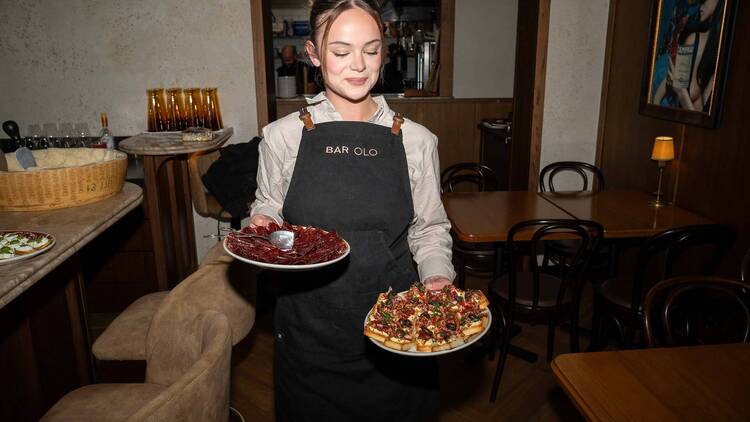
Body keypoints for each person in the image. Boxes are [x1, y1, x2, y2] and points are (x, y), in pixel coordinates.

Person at [250, 1, 455, 420]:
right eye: (341, 52)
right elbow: (268, 208)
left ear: (385, 52)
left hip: (396, 328)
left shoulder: (416, 140)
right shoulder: (282, 137)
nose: (358, 65)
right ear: (313, 54)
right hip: (310, 330)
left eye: (372, 49)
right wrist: (265, 229)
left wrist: (437, 277)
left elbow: (429, 229)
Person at [652, 0, 724, 112]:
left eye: (705, 1)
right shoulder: (694, 40)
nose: (701, 4)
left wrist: (682, 93)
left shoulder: (722, 60)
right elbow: (659, 93)